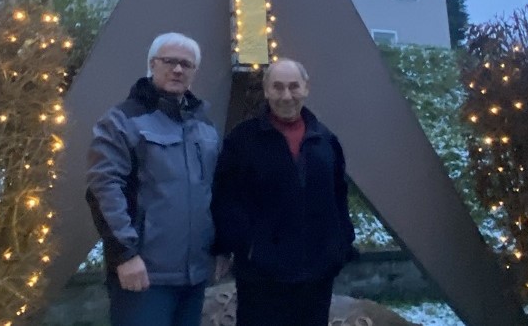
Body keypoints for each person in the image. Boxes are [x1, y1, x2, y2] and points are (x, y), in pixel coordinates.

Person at [86, 32, 222, 326]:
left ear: (194, 73)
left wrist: (218, 250)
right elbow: (103, 190)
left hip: (194, 275)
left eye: (186, 64)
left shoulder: (204, 127)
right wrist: (124, 255)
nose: (178, 70)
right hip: (143, 274)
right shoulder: (122, 121)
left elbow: (213, 192)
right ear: (151, 64)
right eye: (169, 61)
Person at [211, 59, 357, 326]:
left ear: (306, 88)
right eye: (277, 87)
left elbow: (339, 197)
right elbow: (225, 198)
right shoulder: (243, 139)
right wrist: (244, 246)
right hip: (261, 276)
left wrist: (340, 246)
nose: (286, 96)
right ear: (266, 90)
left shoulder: (325, 140)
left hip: (315, 275)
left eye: (293, 87)